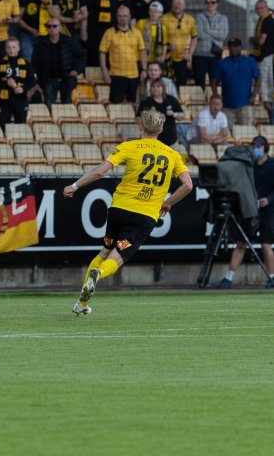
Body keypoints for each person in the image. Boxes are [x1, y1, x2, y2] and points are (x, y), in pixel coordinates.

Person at [63, 110, 192, 315]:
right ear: (161, 130)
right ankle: (99, 274)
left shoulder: (128, 147)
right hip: (144, 217)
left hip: (119, 210)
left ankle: (82, 303)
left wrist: (74, 186)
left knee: (104, 252)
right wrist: (167, 203)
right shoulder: (172, 154)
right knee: (116, 257)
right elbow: (188, 185)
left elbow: (100, 171)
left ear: (140, 127)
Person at [218, 135, 274, 289]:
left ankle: (271, 277)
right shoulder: (248, 164)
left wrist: (269, 199)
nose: (256, 149)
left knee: (266, 244)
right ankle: (229, 278)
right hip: (249, 207)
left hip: (267, 209)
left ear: (265, 148)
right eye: (254, 146)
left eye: (259, 146)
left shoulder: (272, 165)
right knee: (241, 243)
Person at [101, 5, 146, 104]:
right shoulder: (109, 33)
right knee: (115, 105)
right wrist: (104, 70)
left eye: (125, 16)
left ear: (130, 17)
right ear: (116, 16)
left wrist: (144, 69)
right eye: (120, 15)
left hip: (134, 75)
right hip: (116, 75)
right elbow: (102, 52)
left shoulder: (137, 33)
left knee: (134, 103)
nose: (123, 18)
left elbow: (142, 51)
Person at [212, 37, 261, 127]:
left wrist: (254, 95)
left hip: (245, 105)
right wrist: (216, 95)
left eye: (235, 46)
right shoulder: (222, 63)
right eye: (230, 46)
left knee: (245, 131)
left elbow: (258, 78)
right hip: (227, 106)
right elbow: (214, 81)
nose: (232, 48)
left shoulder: (250, 61)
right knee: (227, 132)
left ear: (240, 47)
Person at [0, 38, 36, 128]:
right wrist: (6, 83)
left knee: (20, 127)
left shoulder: (25, 63)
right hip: (4, 101)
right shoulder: (0, 63)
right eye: (8, 47)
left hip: (21, 100)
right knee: (3, 127)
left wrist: (23, 89)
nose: (11, 50)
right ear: (5, 49)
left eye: (13, 47)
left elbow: (33, 80)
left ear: (18, 48)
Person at [193, 0, 229, 89]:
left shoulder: (223, 18)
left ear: (217, 4)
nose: (210, 4)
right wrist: (216, 33)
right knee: (199, 84)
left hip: (215, 54)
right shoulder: (199, 16)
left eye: (213, 2)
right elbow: (199, 34)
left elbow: (223, 35)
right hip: (200, 55)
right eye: (207, 2)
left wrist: (208, 31)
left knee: (215, 83)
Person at [135, 79, 183, 147]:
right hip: (151, 142)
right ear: (150, 88)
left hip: (170, 141)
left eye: (158, 86)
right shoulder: (145, 102)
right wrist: (146, 119)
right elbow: (137, 119)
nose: (155, 88)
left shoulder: (171, 99)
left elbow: (182, 116)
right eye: (153, 86)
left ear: (163, 88)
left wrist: (174, 114)